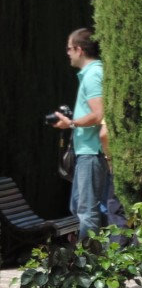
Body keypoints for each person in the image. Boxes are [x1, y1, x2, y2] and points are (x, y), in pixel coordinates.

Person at [50, 28, 107, 241]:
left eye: (69, 48)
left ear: (79, 50)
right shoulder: (91, 74)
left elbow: (99, 113)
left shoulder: (93, 75)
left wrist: (71, 122)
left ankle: (88, 265)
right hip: (86, 152)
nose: (67, 53)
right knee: (78, 207)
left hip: (91, 152)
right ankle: (88, 258)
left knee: (86, 212)